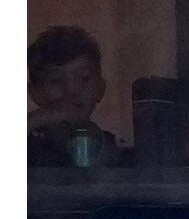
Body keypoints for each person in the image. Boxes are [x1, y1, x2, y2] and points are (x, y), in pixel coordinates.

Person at [27, 25, 120, 166]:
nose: (72, 91)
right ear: (35, 93)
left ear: (101, 88)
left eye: (84, 78)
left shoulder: (111, 147)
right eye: (56, 81)